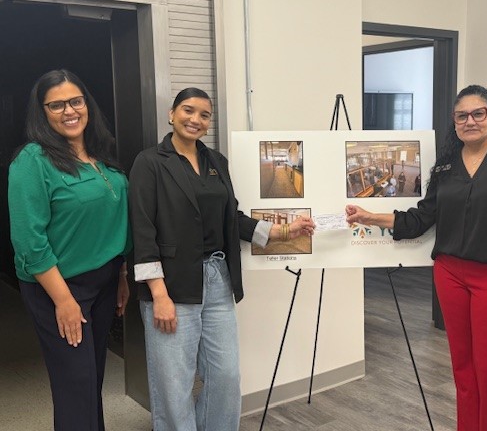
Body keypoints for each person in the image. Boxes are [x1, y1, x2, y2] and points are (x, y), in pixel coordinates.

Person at [346, 85, 487, 431]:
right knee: (463, 368)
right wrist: (370, 217)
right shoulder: (446, 166)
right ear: (454, 121)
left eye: (478, 113)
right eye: (462, 116)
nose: (470, 121)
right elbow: (422, 218)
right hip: (450, 274)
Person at [128, 87, 315, 431]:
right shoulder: (150, 162)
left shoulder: (216, 161)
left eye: (204, 115)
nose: (195, 119)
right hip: (171, 284)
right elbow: (142, 231)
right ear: (171, 114)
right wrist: (158, 294)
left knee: (225, 375)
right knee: (174, 383)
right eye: (188, 110)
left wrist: (283, 231)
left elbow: (232, 218)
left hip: (217, 277)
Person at [8, 69, 130, 431]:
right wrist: (63, 300)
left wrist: (121, 274)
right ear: (42, 112)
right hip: (58, 288)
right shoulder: (33, 161)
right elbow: (29, 241)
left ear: (86, 103)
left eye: (75, 101)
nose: (69, 111)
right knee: (75, 386)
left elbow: (113, 224)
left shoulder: (100, 155)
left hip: (105, 281)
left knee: (91, 380)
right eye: (56, 105)